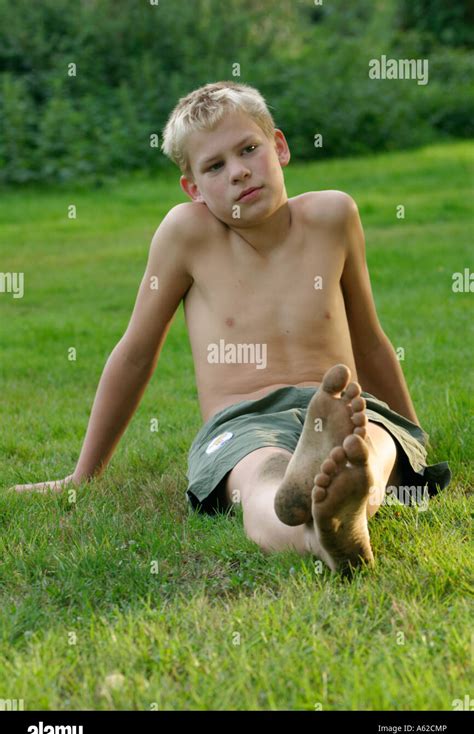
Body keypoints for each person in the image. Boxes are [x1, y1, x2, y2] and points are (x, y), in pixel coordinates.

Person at [11, 81, 451, 573]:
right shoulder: (187, 234)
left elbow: (368, 338)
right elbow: (135, 353)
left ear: (279, 147)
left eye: (248, 149)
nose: (239, 171)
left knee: (373, 446)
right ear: (193, 188)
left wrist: (412, 431)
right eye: (215, 166)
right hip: (244, 422)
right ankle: (320, 530)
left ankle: (341, 505)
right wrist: (82, 475)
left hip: (343, 406)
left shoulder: (332, 216)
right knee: (260, 476)